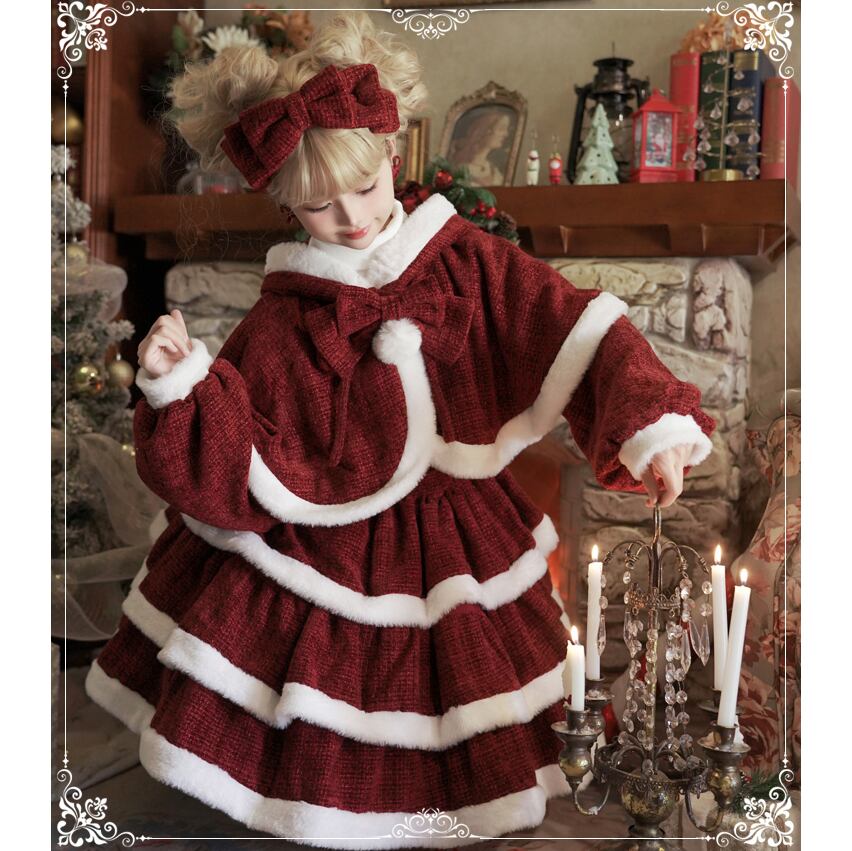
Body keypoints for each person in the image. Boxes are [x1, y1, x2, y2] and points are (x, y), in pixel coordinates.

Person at [85, 12, 714, 846]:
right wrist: (181, 385)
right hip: (322, 538)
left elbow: (573, 324)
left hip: (458, 526)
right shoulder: (285, 313)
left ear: (393, 152)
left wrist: (651, 424)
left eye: (365, 187)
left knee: (462, 680)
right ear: (284, 203)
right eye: (318, 206)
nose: (349, 217)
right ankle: (324, 809)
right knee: (320, 679)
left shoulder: (469, 261)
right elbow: (239, 441)